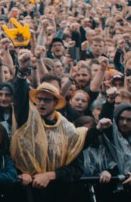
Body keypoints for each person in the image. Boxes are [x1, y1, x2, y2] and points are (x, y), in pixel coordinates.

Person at [10, 51, 87, 188]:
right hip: (27, 189)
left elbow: (77, 169)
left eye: (46, 100)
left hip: (58, 193)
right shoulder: (27, 120)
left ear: (56, 103)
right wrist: (22, 71)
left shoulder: (68, 128)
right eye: (39, 99)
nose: (41, 103)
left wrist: (50, 175)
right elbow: (19, 98)